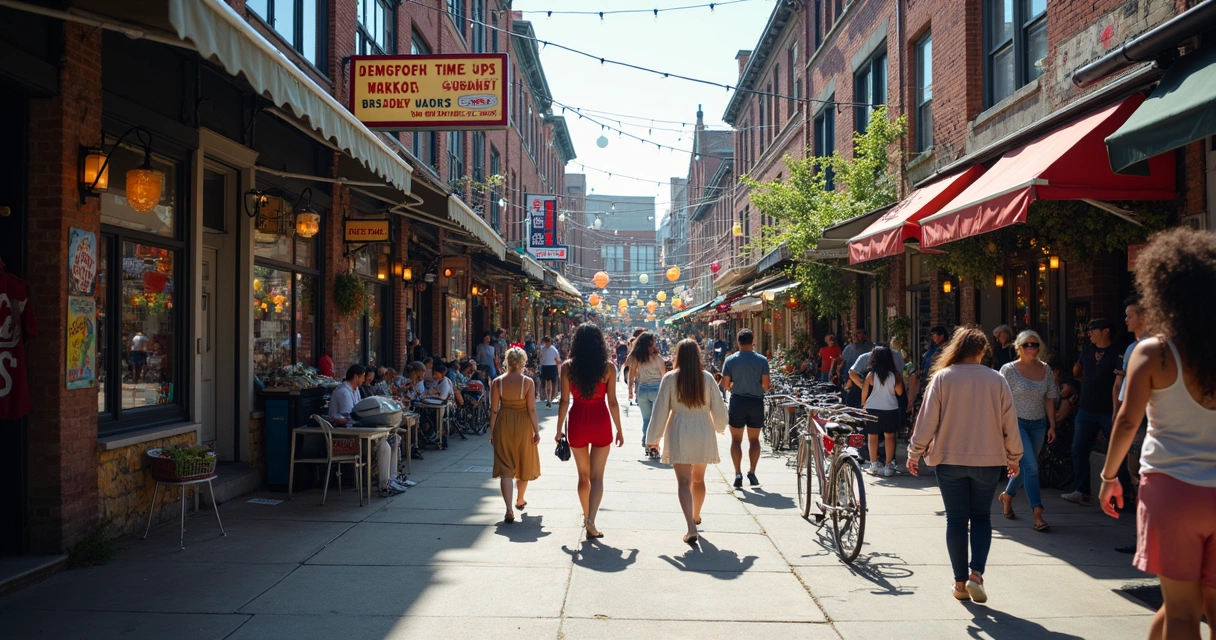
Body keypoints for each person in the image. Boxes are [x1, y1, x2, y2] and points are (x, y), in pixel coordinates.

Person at [1098, 229, 1216, 640]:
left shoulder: (1154, 353)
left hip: (1172, 489)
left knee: (1182, 613)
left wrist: (1109, 477)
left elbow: (1128, 421)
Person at [907, 325, 1021, 604]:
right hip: (988, 460)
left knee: (956, 519)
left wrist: (915, 452)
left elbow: (927, 420)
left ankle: (959, 584)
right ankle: (976, 576)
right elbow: (1010, 423)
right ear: (982, 351)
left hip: (948, 459)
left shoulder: (943, 378)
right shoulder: (996, 380)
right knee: (982, 518)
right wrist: (1014, 457)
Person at [646, 339, 729, 545]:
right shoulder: (707, 378)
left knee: (684, 482)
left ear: (678, 356)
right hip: (702, 429)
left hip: (679, 430)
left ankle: (691, 527)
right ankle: (696, 515)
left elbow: (660, 410)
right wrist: (720, 426)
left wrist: (653, 439)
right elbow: (718, 408)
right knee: (699, 480)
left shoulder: (670, 378)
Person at [555, 323, 625, 539]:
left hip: (577, 421)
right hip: (601, 420)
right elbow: (612, 402)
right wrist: (619, 430)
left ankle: (587, 516)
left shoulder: (567, 367)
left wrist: (558, 430)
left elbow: (564, 401)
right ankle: (591, 519)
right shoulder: (608, 368)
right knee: (597, 477)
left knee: (583, 476)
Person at [1063, 319, 1132, 505]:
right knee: (1079, 450)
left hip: (1109, 411)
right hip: (1086, 409)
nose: (1089, 333)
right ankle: (1082, 491)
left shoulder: (1119, 352)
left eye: (1092, 330)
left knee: (1118, 452)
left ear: (1106, 330)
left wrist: (1117, 411)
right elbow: (1080, 373)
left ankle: (1124, 496)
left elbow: (1120, 383)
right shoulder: (1087, 351)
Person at [996, 330, 1059, 532]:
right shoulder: (1008, 370)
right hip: (1017, 424)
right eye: (1027, 345)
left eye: (1035, 345)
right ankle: (1038, 514)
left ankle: (1007, 496)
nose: (1031, 348)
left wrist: (1052, 425)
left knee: (1025, 469)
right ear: (1018, 347)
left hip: (1039, 424)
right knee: (1031, 467)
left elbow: (1049, 398)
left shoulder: (1045, 369)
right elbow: (998, 399)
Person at [329, 364, 408, 496]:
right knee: (384, 445)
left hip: (359, 432)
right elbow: (351, 416)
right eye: (363, 376)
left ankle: (392, 478)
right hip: (347, 437)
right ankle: (384, 485)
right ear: (356, 377)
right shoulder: (343, 391)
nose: (364, 380)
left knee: (394, 439)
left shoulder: (355, 390)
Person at [491, 347, 541, 523]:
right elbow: (532, 409)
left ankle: (509, 509)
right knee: (522, 462)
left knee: (506, 467)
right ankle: (520, 498)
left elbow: (494, 410)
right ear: (522, 362)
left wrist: (492, 431)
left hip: (503, 423)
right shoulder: (527, 382)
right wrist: (536, 430)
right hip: (523, 425)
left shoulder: (497, 382)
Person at [719, 329, 771, 489]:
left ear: (738, 342)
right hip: (755, 401)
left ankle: (737, 473)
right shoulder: (762, 361)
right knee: (754, 440)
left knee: (736, 440)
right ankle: (752, 472)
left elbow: (724, 384)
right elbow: (766, 387)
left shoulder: (730, 360)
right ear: (753, 341)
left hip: (737, 401)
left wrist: (731, 386)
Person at [862, 346, 904, 477]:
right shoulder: (895, 375)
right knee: (889, 437)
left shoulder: (871, 375)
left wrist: (863, 405)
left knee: (872, 437)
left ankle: (873, 465)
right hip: (890, 408)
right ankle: (888, 466)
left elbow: (864, 393)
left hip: (872, 408)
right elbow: (900, 392)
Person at [626, 332, 666, 458]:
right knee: (656, 421)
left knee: (646, 419)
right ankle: (653, 446)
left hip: (642, 390)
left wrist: (630, 390)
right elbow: (664, 376)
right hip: (656, 390)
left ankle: (647, 443)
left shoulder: (638, 358)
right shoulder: (658, 359)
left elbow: (631, 373)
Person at [1113, 295, 1148, 419]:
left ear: (1143, 317)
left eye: (1129, 316)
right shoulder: (1131, 348)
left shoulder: (1152, 347)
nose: (1126, 320)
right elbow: (1126, 380)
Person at [840, 329, 874, 407]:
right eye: (854, 334)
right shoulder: (849, 347)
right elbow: (844, 361)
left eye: (858, 333)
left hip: (864, 379)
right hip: (851, 378)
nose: (856, 336)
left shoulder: (870, 347)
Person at [538, 336, 561, 408]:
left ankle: (551, 398)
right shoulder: (542, 349)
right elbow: (540, 357)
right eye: (546, 342)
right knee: (547, 383)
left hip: (552, 366)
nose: (547, 343)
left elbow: (557, 360)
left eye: (548, 342)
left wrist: (559, 367)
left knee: (552, 384)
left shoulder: (554, 349)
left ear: (550, 342)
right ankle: (548, 398)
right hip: (545, 366)